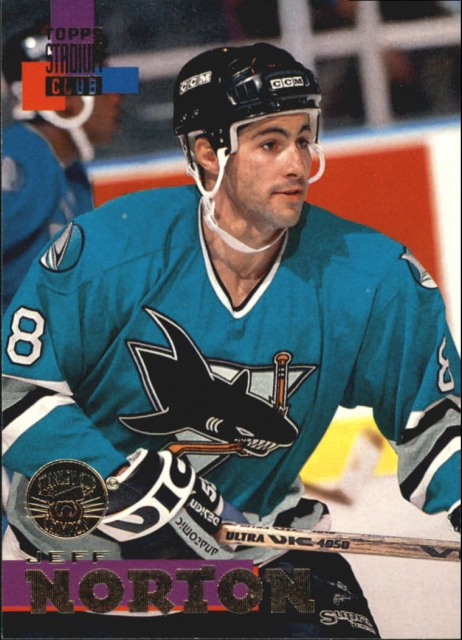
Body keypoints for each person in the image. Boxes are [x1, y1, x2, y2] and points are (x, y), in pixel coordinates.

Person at [2, 43, 460, 639]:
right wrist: (121, 481)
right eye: (270, 143)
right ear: (206, 152)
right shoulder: (109, 247)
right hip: (74, 574)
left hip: (255, 557)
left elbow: (437, 426)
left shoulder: (371, 276)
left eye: (304, 138)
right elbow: (14, 392)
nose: (297, 163)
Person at [1, 22, 123, 311]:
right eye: (102, 80)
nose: (117, 95)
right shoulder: (19, 164)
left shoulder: (68, 171)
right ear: (64, 95)